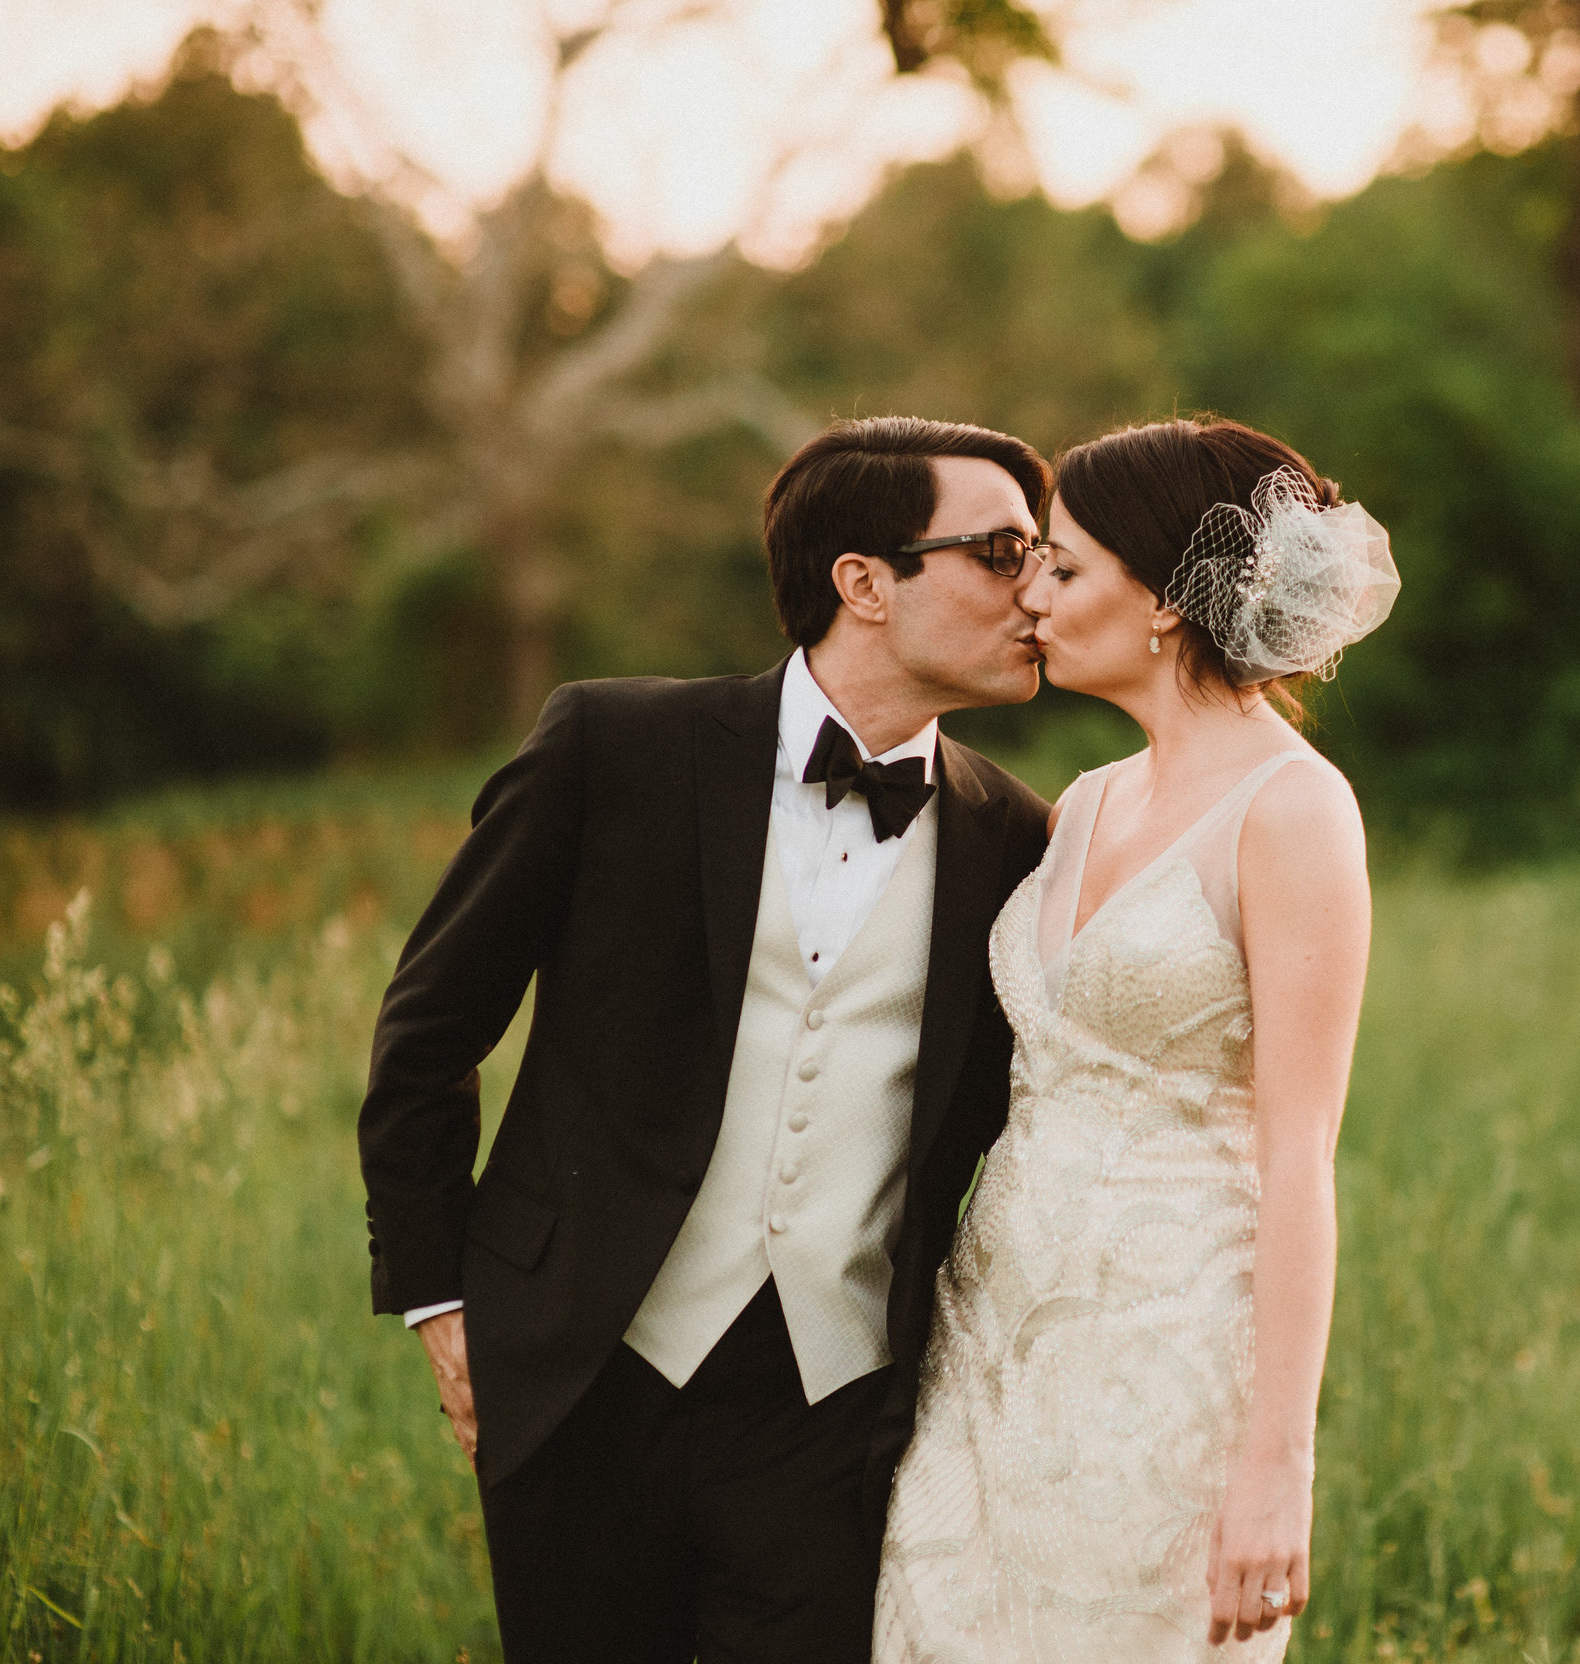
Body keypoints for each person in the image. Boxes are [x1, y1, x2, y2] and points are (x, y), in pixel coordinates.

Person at [356, 416, 1056, 1664]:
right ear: (864, 582)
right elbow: (429, 1023)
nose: (1038, 589)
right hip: (582, 1368)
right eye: (1002, 550)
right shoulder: (611, 744)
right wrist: (436, 1292)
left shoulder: (1022, 838)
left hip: (836, 1407)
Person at [873, 417, 1399, 1661]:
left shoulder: (1295, 810)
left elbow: (1300, 1153)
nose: (1031, 597)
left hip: (1161, 1373)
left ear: (1166, 597)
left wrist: (1276, 1465)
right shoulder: (1092, 799)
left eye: (1062, 567)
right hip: (986, 1349)